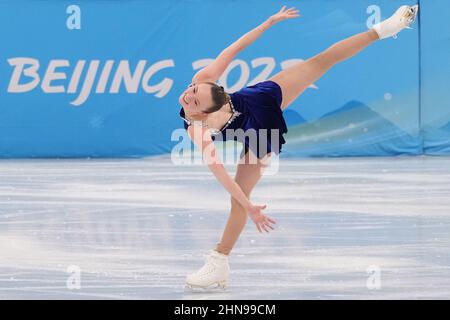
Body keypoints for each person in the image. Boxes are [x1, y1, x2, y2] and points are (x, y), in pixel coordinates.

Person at [179, 4, 419, 289]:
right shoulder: (198, 129)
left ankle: (384, 28)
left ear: (207, 103)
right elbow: (221, 174)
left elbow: (233, 51)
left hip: (259, 103)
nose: (188, 95)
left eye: (193, 94)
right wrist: (250, 207)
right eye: (192, 97)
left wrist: (268, 23)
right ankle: (219, 263)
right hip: (256, 134)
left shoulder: (204, 89)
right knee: (239, 199)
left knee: (321, 60)